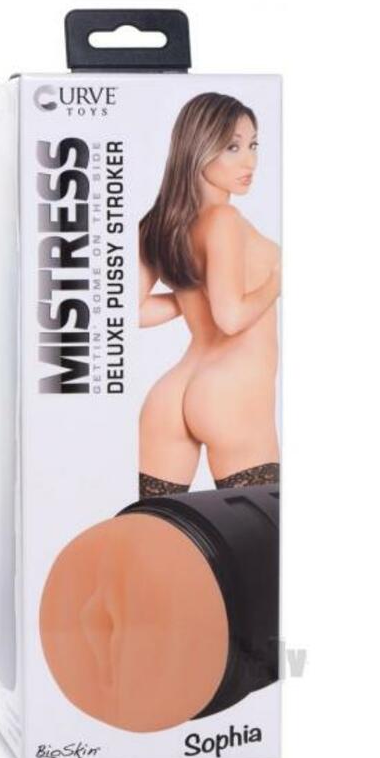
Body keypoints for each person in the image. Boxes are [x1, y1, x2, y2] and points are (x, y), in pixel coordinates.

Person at [138, 92, 280, 498]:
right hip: (233, 390)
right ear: (198, 147)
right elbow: (231, 318)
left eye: (253, 145)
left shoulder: (157, 224)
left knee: (157, 527)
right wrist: (278, 280)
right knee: (260, 528)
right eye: (232, 147)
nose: (249, 161)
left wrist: (189, 297)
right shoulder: (224, 218)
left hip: (173, 392)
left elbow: (130, 311)